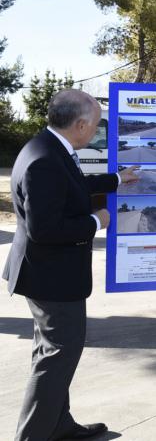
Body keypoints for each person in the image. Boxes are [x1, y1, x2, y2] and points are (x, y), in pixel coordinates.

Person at [2, 89, 139, 440]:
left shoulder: (49, 147)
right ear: (79, 125)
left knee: (53, 354)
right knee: (57, 356)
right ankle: (32, 436)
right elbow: (45, 230)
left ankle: (58, 424)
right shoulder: (46, 159)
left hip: (48, 274)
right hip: (51, 279)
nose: (95, 131)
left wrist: (119, 178)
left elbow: (73, 186)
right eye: (94, 125)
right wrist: (98, 221)